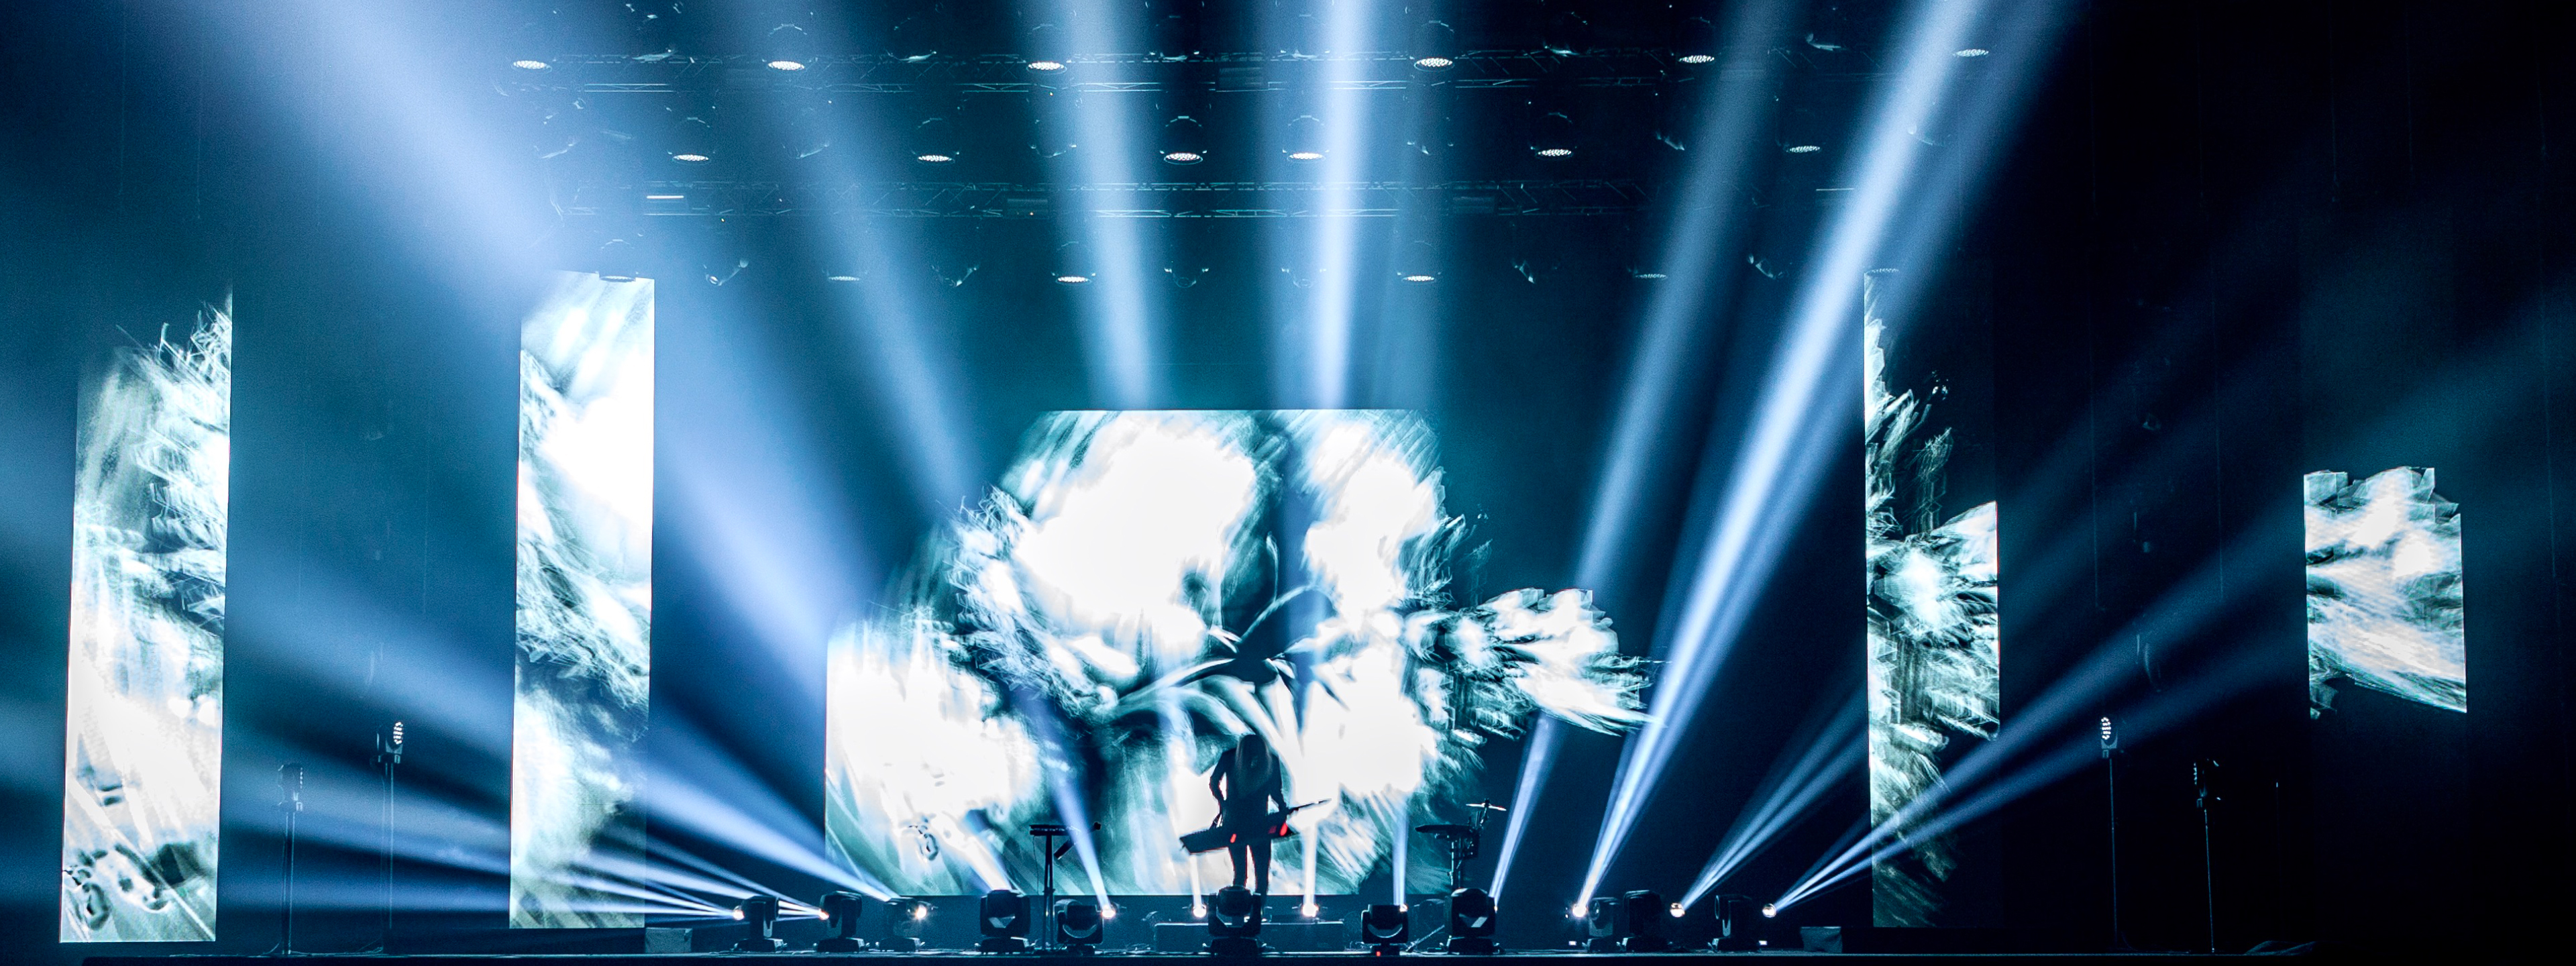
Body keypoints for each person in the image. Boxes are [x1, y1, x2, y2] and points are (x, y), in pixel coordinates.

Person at [1207, 733, 1288, 894]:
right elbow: (1276, 791)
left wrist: (1223, 803)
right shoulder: (1270, 759)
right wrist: (1282, 808)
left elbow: (1214, 782)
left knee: (1240, 874)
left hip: (1234, 823)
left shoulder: (1230, 756)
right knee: (1261, 875)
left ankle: (1239, 908)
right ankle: (1258, 908)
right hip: (1259, 824)